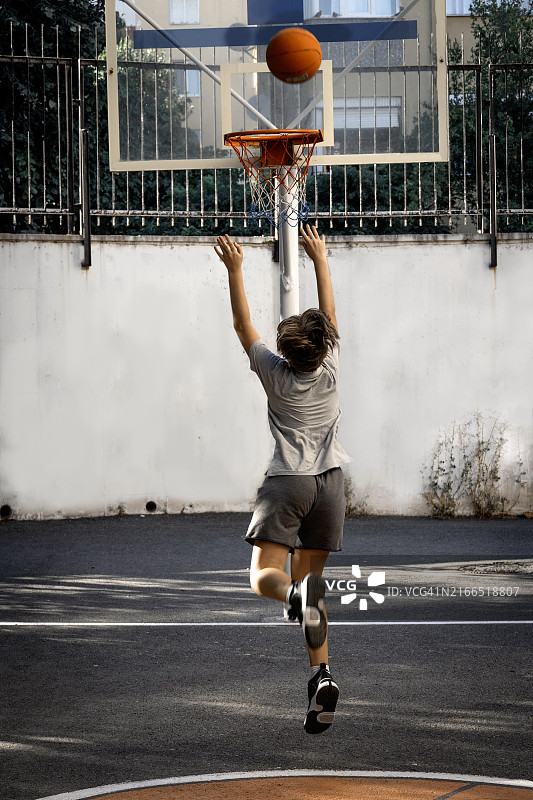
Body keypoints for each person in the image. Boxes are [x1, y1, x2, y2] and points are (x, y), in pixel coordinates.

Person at [214, 224, 350, 734]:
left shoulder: (274, 372)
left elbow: (241, 322)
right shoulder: (331, 367)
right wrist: (320, 259)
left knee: (265, 579)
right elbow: (329, 315)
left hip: (288, 482)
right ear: (323, 345)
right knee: (313, 584)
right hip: (331, 485)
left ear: (288, 352)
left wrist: (236, 270)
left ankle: (293, 598)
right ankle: (321, 675)